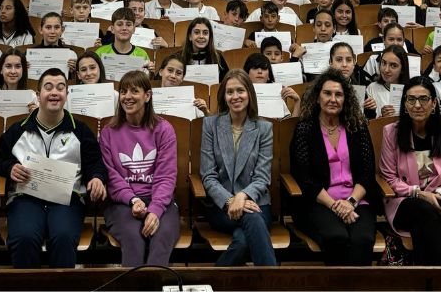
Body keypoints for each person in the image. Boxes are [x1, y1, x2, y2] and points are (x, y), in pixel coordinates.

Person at [0, 68, 107, 268]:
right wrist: (9, 168)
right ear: (38, 95)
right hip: (26, 198)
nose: (55, 92)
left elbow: (95, 162)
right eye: (48, 87)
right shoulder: (18, 130)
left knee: (63, 237)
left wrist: (96, 177)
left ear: (66, 95)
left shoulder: (80, 130)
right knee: (24, 238)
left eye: (61, 88)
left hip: (67, 200)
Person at [379, 76, 441, 266]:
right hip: (404, 202)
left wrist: (437, 195)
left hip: (438, 202)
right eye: (411, 99)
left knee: (425, 218)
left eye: (423, 99)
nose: (417, 105)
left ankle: (426, 279)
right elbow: (389, 177)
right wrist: (420, 194)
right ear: (404, 103)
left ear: (433, 103)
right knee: (423, 209)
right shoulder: (391, 132)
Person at [289, 68, 378, 266]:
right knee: (336, 237)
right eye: (327, 93)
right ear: (317, 97)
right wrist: (336, 206)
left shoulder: (358, 126)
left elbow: (367, 172)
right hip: (319, 201)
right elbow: (304, 178)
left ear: (346, 99)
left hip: (356, 200)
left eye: (338, 94)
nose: (333, 99)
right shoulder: (305, 128)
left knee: (362, 239)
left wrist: (351, 202)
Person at [99, 70, 180, 267]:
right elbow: (111, 176)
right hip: (122, 203)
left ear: (148, 95)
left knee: (160, 239)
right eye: (123, 91)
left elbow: (166, 176)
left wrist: (155, 209)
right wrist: (133, 199)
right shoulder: (109, 132)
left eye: (134, 91)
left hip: (161, 201)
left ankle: (155, 287)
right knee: (134, 239)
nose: (127, 97)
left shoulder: (164, 129)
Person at [199, 69, 278, 266]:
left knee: (243, 242)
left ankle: (211, 280)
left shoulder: (264, 128)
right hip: (220, 207)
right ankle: (275, 283)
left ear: (249, 94)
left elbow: (262, 177)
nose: (235, 96)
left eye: (240, 91)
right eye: (230, 92)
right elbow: (208, 176)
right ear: (224, 97)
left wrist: (242, 197)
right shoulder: (211, 125)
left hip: (256, 202)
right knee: (253, 221)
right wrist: (230, 200)